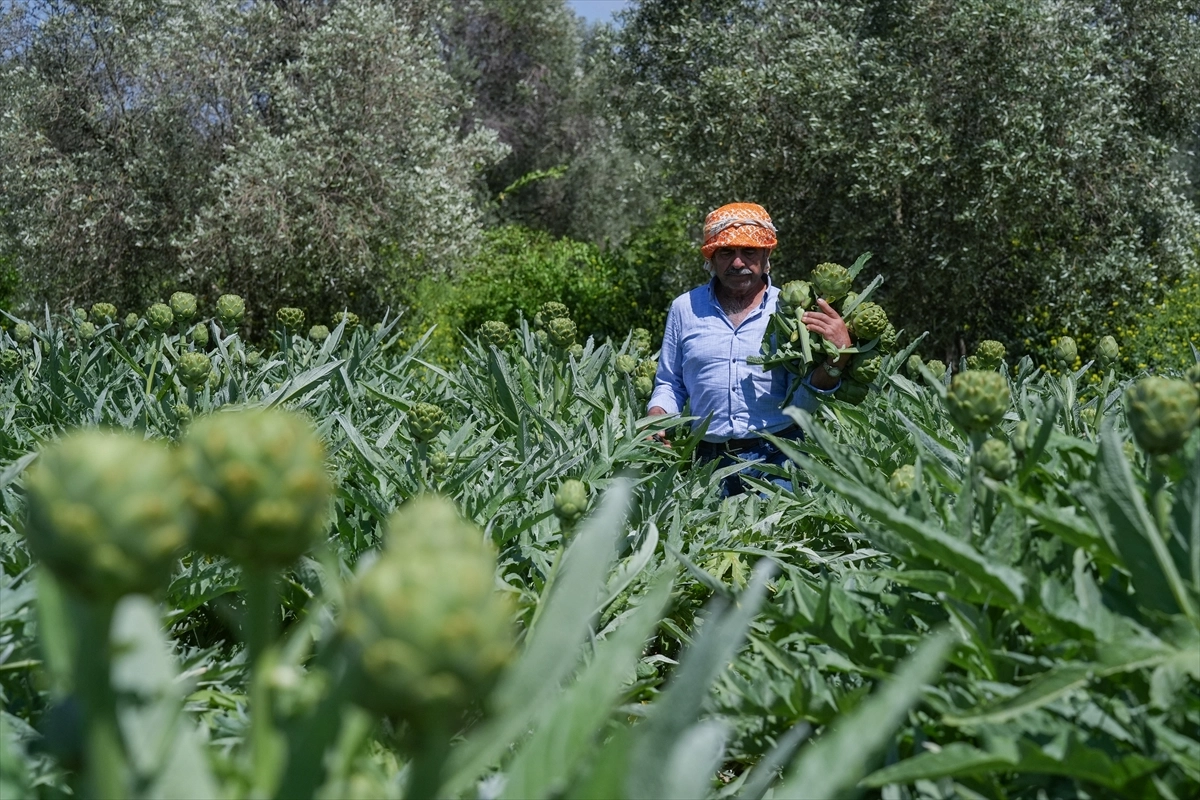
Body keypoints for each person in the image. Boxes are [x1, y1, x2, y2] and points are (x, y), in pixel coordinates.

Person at [646, 202, 851, 496]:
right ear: (711, 258)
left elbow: (803, 403)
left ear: (766, 255)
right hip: (706, 462)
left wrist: (837, 359)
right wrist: (656, 415)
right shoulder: (685, 309)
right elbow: (670, 383)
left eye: (749, 251)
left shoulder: (793, 310)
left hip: (778, 459)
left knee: (778, 541)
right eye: (727, 252)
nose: (738, 262)